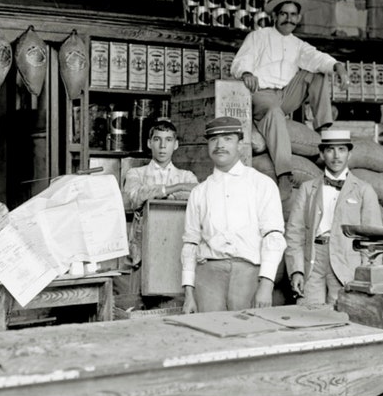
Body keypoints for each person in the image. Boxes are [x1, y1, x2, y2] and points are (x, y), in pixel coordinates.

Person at [230, 0, 350, 199]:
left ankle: (324, 129)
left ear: (299, 18)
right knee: (275, 113)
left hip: (286, 96)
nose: (289, 19)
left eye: (293, 15)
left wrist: (338, 66)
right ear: (275, 16)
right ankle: (284, 173)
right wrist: (246, 73)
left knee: (317, 72)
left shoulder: (298, 45)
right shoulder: (259, 36)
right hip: (260, 94)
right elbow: (241, 61)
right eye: (284, 14)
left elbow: (317, 58)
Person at [181, 116, 286, 314]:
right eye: (213, 139)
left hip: (249, 275)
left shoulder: (261, 184)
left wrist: (266, 286)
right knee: (208, 337)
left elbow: (274, 237)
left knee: (249, 338)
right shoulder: (199, 192)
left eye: (227, 138)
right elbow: (190, 244)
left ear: (240, 143)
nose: (219, 145)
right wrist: (189, 294)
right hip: (208, 279)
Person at [285, 127, 381, 307]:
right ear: (321, 154)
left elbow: (373, 238)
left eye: (342, 149)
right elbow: (294, 232)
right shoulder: (307, 188)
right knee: (307, 316)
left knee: (344, 314)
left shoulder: (363, 190)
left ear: (349, 154)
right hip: (312, 260)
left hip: (347, 261)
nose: (336, 156)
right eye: (330, 150)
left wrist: (368, 275)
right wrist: (296, 270)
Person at [122, 119, 198, 271]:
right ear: (149, 143)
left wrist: (156, 195)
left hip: (176, 251)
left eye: (168, 140)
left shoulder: (187, 176)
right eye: (157, 139)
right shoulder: (135, 173)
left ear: (175, 145)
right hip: (141, 254)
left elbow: (197, 198)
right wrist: (177, 188)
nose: (163, 146)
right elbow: (135, 198)